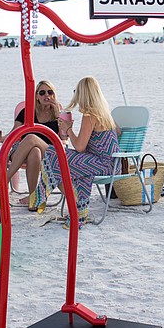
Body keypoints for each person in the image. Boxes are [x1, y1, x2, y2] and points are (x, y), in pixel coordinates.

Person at [43, 76, 120, 229]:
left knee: (53, 155)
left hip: (103, 164)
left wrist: (68, 128)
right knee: (59, 157)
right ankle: (78, 205)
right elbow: (118, 132)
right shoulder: (104, 112)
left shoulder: (90, 115)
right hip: (112, 163)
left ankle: (75, 205)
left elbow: (79, 147)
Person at [6, 80, 67, 209]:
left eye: (50, 92)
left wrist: (58, 116)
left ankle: (3, 180)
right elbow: (14, 133)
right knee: (34, 150)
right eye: (42, 92)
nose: (47, 96)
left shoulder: (59, 113)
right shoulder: (27, 111)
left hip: (49, 151)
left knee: (32, 138)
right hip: (22, 150)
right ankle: (34, 197)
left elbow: (64, 137)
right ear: (37, 96)